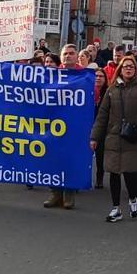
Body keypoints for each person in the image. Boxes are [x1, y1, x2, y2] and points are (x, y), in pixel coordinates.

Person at [90, 57, 137, 223]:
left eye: (131, 67)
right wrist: (94, 137)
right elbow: (102, 116)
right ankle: (116, 208)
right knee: (114, 172)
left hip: (133, 138)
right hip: (113, 137)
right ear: (120, 69)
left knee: (130, 173)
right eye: (125, 66)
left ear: (135, 70)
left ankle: (133, 198)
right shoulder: (112, 90)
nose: (128, 69)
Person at [44, 44, 83, 210]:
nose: (68, 56)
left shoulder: (84, 75)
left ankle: (69, 193)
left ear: (76, 56)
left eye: (71, 53)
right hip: (53, 124)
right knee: (52, 159)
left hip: (75, 125)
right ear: (61, 57)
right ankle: (55, 193)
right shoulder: (52, 74)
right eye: (65, 53)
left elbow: (93, 95)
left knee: (70, 159)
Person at [92, 66, 109, 189]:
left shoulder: (108, 92)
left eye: (101, 76)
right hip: (86, 126)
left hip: (102, 127)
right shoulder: (86, 90)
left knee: (100, 154)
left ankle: (99, 178)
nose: (98, 78)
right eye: (96, 76)